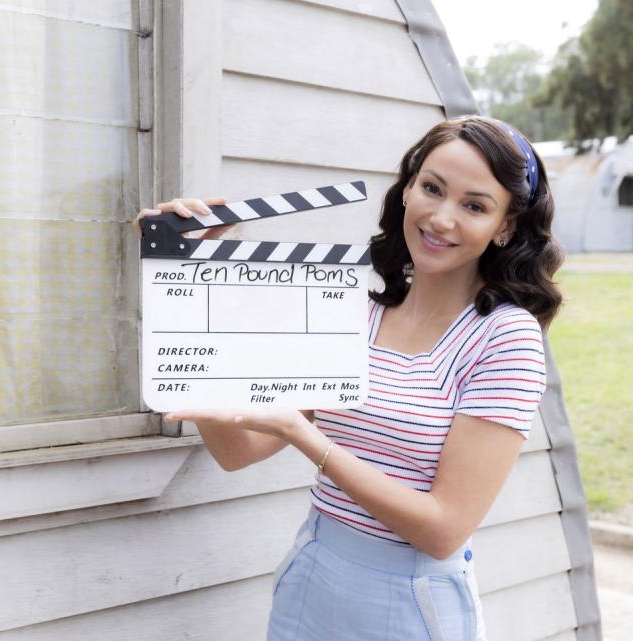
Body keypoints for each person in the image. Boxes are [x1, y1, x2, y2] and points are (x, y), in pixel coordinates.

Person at [135, 116, 562, 641]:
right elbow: (237, 451)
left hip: (411, 599)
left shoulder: (505, 338)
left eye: (474, 205)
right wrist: (189, 279)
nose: (442, 218)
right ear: (407, 189)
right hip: (312, 570)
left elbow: (443, 529)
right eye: (432, 188)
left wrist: (305, 436)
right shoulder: (355, 316)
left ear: (506, 227)